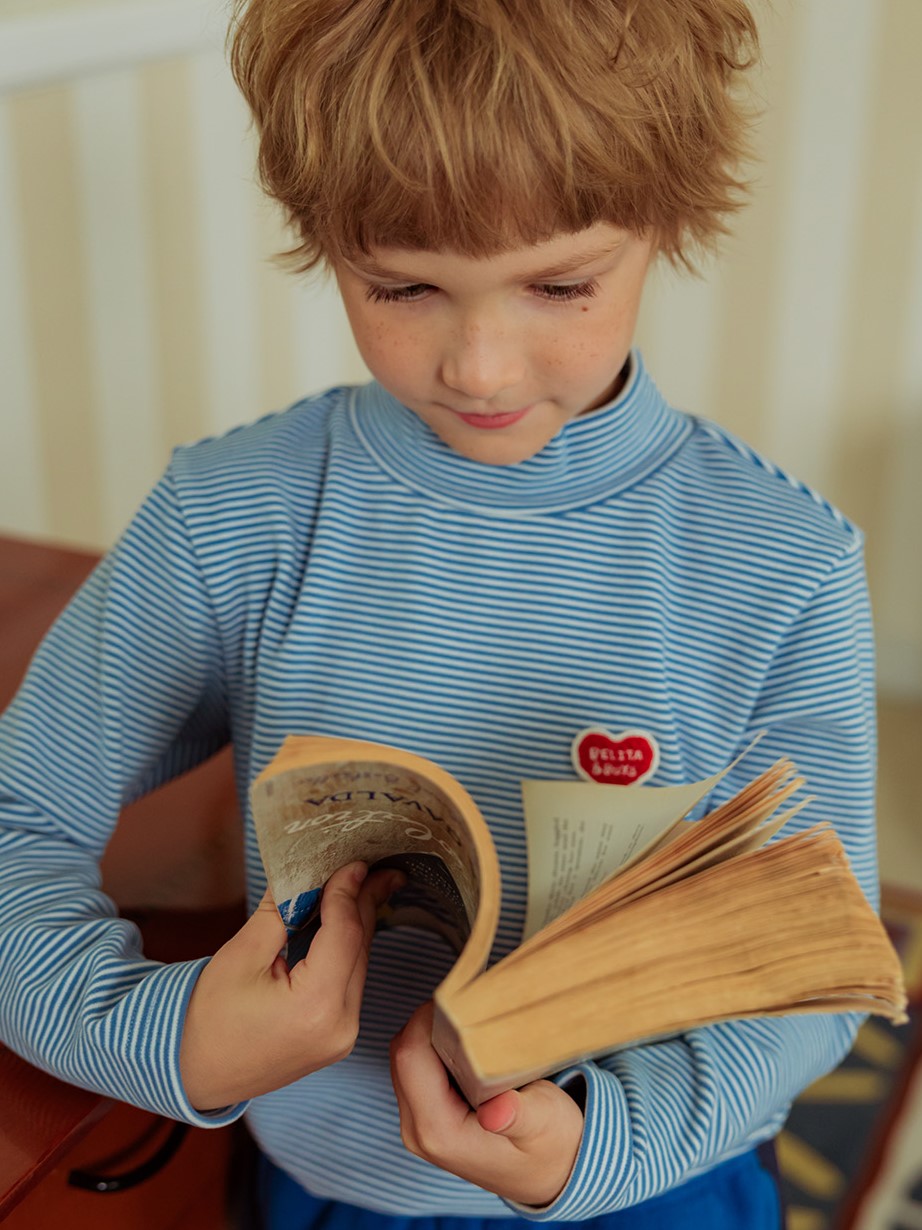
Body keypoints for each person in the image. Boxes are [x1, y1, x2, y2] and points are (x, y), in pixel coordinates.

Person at [0, 1, 878, 1226]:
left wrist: (607, 1148)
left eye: (560, 284)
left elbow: (812, 972)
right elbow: (16, 821)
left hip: (652, 1181)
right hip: (323, 1184)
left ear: (667, 223)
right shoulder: (231, 517)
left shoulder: (785, 562)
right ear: (324, 242)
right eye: (401, 286)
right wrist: (167, 1041)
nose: (479, 365)